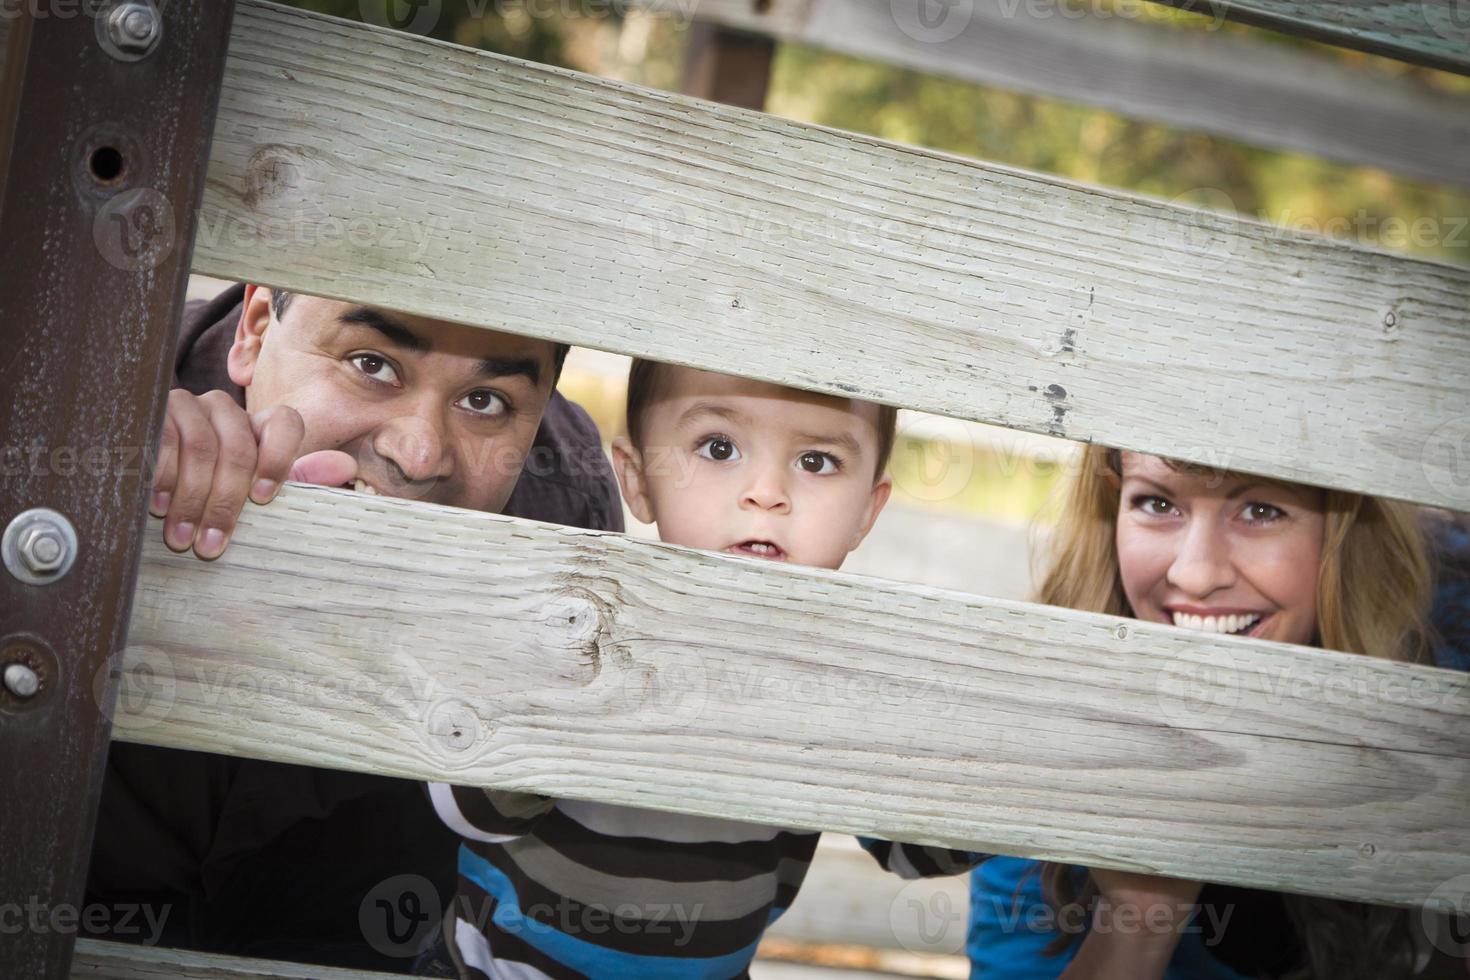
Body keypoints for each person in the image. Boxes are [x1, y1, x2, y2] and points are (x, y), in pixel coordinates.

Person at [85, 284, 625, 971]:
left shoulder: (567, 521)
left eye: (484, 401)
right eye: (372, 364)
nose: (418, 453)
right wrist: (94, 517)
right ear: (254, 330)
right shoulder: (83, 396)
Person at [422, 360, 987, 978]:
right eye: (719, 448)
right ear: (638, 481)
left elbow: (921, 856)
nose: (767, 492)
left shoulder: (838, 680)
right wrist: (585, 697)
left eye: (817, 461)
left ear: (865, 513)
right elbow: (472, 806)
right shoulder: (585, 624)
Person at [965, 446, 1470, 980]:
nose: (1196, 575)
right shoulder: (1050, 729)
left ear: (1345, 538)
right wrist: (1137, 919)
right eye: (1157, 504)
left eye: (1261, 511)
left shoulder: (1443, 664)